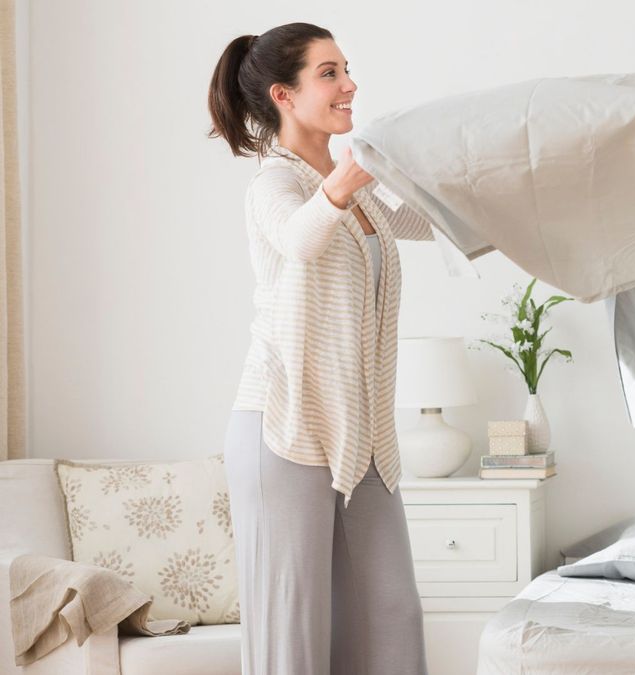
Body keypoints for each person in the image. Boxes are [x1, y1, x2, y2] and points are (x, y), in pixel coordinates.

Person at [206, 22, 435, 675]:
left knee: (392, 614)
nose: (349, 84)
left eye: (346, 70)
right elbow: (302, 239)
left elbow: (436, 221)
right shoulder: (274, 186)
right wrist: (344, 180)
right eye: (329, 73)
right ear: (284, 94)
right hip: (282, 427)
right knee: (293, 624)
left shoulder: (355, 186)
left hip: (359, 432)